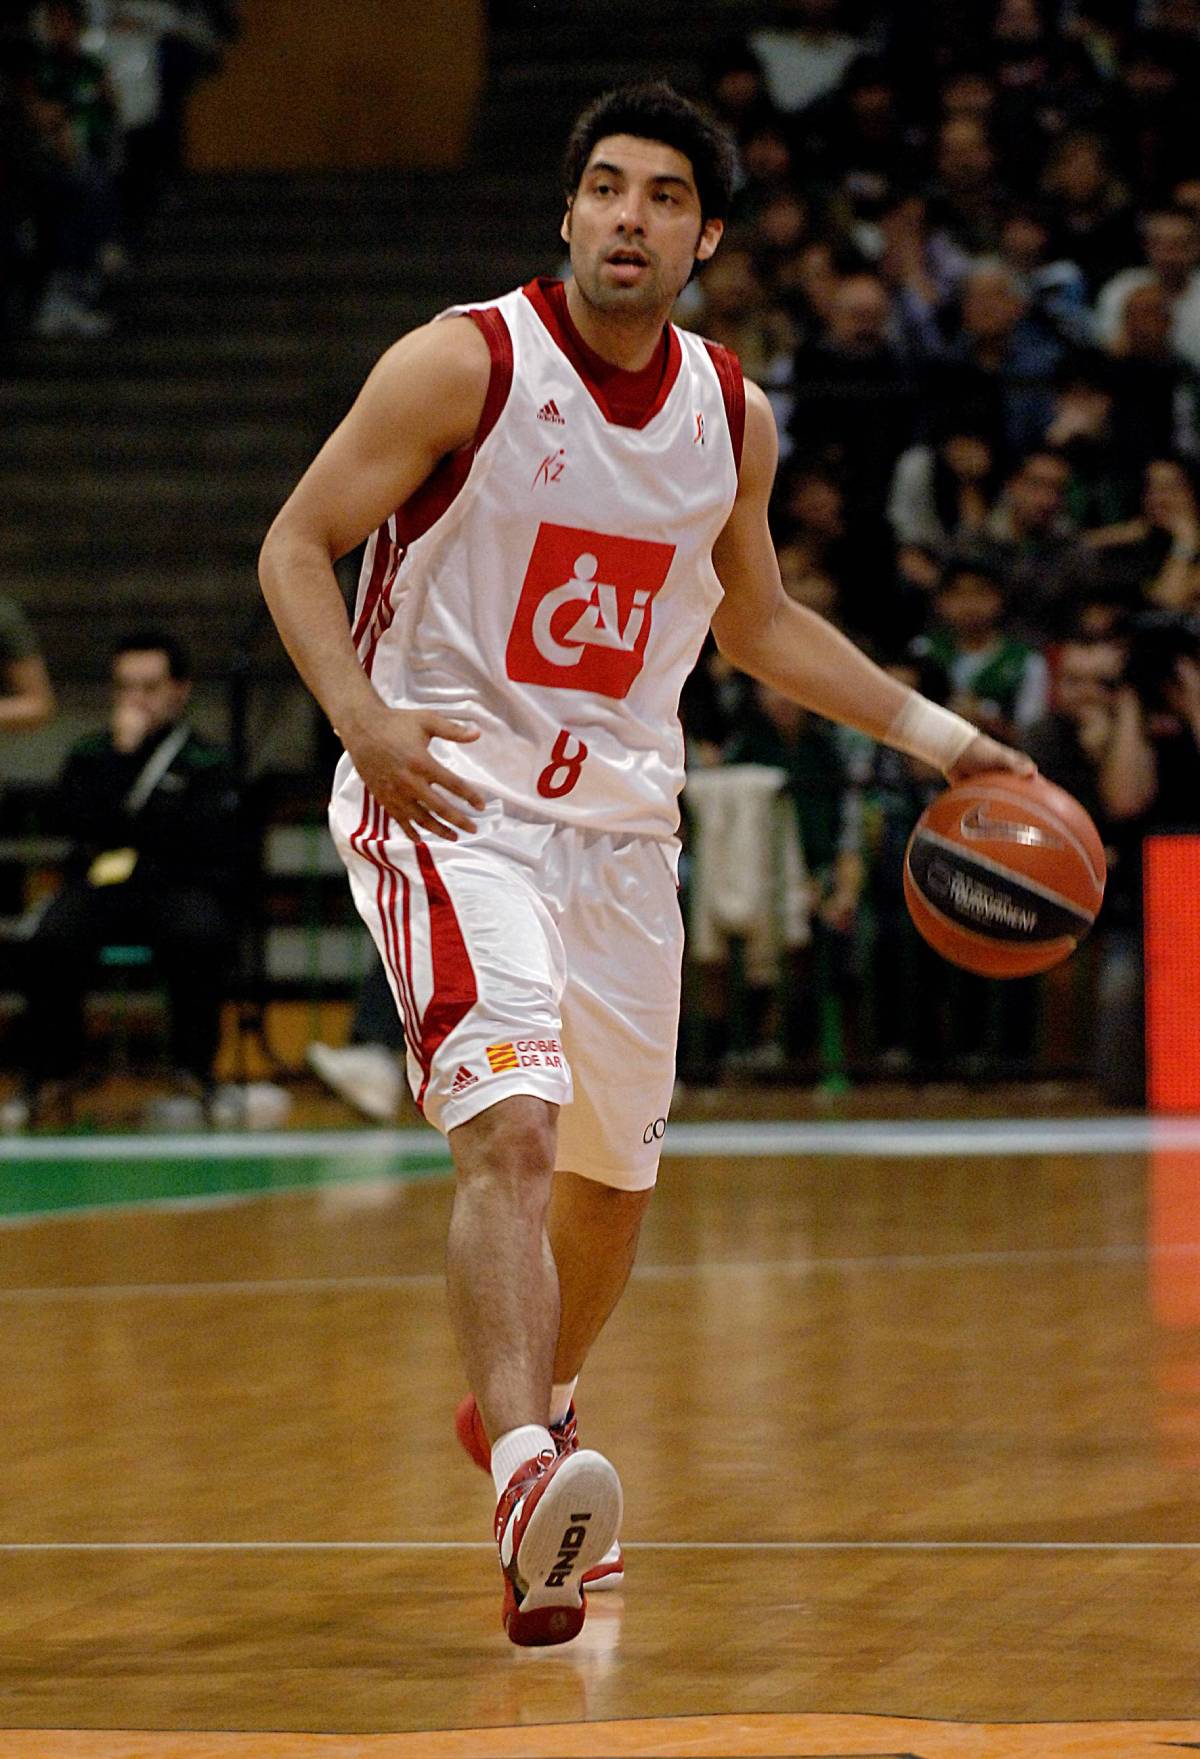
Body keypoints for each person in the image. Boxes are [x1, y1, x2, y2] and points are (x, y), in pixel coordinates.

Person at [257, 81, 1032, 1650]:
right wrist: (362, 714)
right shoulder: (463, 359)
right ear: (567, 213)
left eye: (663, 195)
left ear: (708, 234)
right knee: (518, 1138)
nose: (627, 215)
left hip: (622, 836)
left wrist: (951, 743)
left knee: (610, 1194)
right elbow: (294, 540)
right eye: (604, 187)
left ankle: (528, 1417)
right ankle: (531, 1479)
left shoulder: (727, 414)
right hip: (451, 802)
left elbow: (756, 625)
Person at [4, 630, 240, 1127]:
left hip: (174, 885)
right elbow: (79, 824)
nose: (136, 699)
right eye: (125, 687)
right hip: (104, 889)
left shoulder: (206, 760)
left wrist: (143, 837)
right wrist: (121, 754)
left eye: (149, 686)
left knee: (200, 933)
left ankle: (195, 1070)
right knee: (51, 938)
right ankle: (52, 1073)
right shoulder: (92, 755)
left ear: (179, 689)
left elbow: (200, 837)